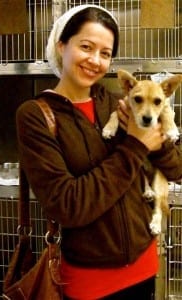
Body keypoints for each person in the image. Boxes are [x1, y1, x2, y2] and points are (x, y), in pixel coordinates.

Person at [16, 4, 182, 300]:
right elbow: (67, 204)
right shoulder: (35, 115)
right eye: (86, 47)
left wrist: (159, 141)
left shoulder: (119, 102)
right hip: (87, 282)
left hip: (144, 267)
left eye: (105, 53)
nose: (95, 60)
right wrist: (136, 144)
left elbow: (177, 169)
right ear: (62, 44)